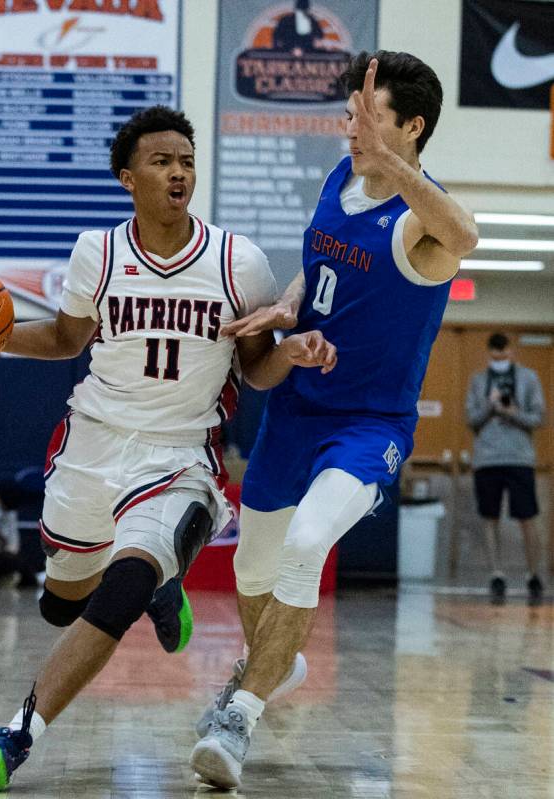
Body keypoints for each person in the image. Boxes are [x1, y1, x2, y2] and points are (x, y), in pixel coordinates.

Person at [0, 105, 337, 791]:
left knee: (121, 585)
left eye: (186, 160)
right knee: (62, 603)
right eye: (162, 161)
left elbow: (253, 367)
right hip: (92, 445)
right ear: (127, 177)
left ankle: (15, 734)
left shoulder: (235, 259)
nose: (178, 171)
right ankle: (164, 586)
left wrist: (292, 353)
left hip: (180, 455)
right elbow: (68, 340)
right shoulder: (96, 252)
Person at [190, 51, 479, 789]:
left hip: (366, 425)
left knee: (307, 542)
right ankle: (275, 664)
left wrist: (395, 164)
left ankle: (238, 716)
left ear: (411, 128)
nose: (349, 127)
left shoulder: (423, 226)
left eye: (367, 117)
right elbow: (319, 265)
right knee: (251, 569)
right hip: (294, 409)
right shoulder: (336, 180)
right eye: (349, 113)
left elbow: (466, 236)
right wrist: (289, 304)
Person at [465, 332, 546, 605]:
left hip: (519, 457)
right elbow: (471, 419)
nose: (498, 360)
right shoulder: (478, 380)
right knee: (490, 516)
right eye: (494, 356)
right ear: (489, 354)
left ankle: (533, 574)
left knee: (527, 517)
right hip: (487, 458)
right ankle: (495, 573)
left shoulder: (529, 378)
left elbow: (539, 417)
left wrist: (514, 413)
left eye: (503, 355)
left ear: (511, 352)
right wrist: (490, 405)